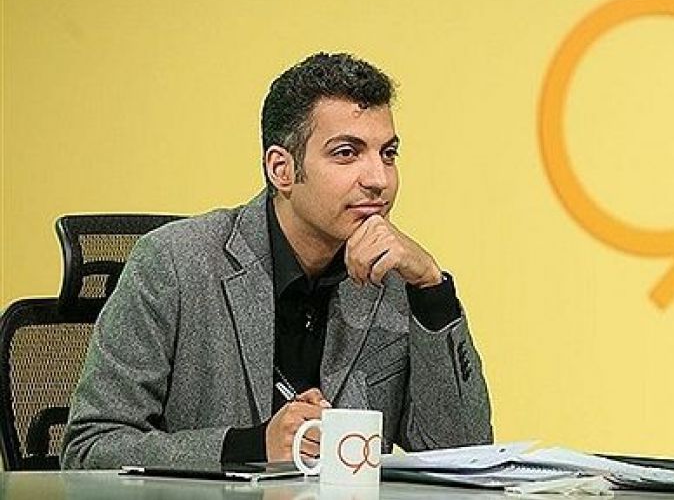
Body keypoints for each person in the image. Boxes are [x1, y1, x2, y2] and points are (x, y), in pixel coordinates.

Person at [61, 52, 493, 468]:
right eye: (347, 152)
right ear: (281, 169)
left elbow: (464, 452)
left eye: (388, 154)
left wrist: (431, 289)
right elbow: (90, 447)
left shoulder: (393, 280)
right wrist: (252, 445)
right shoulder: (173, 264)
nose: (379, 179)